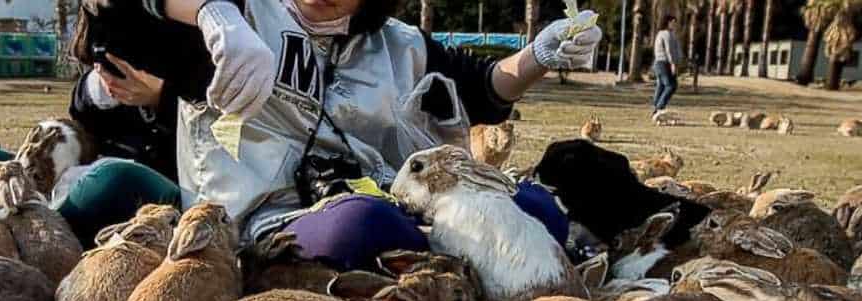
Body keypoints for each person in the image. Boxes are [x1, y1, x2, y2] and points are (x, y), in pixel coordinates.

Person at [61, 0, 602, 269]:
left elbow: (483, 89)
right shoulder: (242, 19)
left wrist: (541, 55)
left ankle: (450, 256)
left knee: (536, 206)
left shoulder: (400, 44)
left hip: (392, 202)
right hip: (264, 221)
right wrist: (212, 13)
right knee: (362, 228)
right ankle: (459, 262)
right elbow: (109, 15)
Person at [0, 1, 212, 244]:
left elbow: (213, 142)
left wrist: (159, 99)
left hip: (157, 184)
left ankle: (34, 225)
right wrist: (97, 91)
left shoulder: (204, 27)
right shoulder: (110, 19)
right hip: (86, 173)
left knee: (114, 178)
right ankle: (30, 209)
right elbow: (83, 119)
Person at [651, 15, 681, 119]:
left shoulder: (665, 34)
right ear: (667, 22)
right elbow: (669, 50)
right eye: (673, 22)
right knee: (671, 85)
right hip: (664, 63)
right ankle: (659, 107)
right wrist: (673, 63)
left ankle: (656, 107)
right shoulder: (666, 34)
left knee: (661, 85)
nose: (675, 24)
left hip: (660, 62)